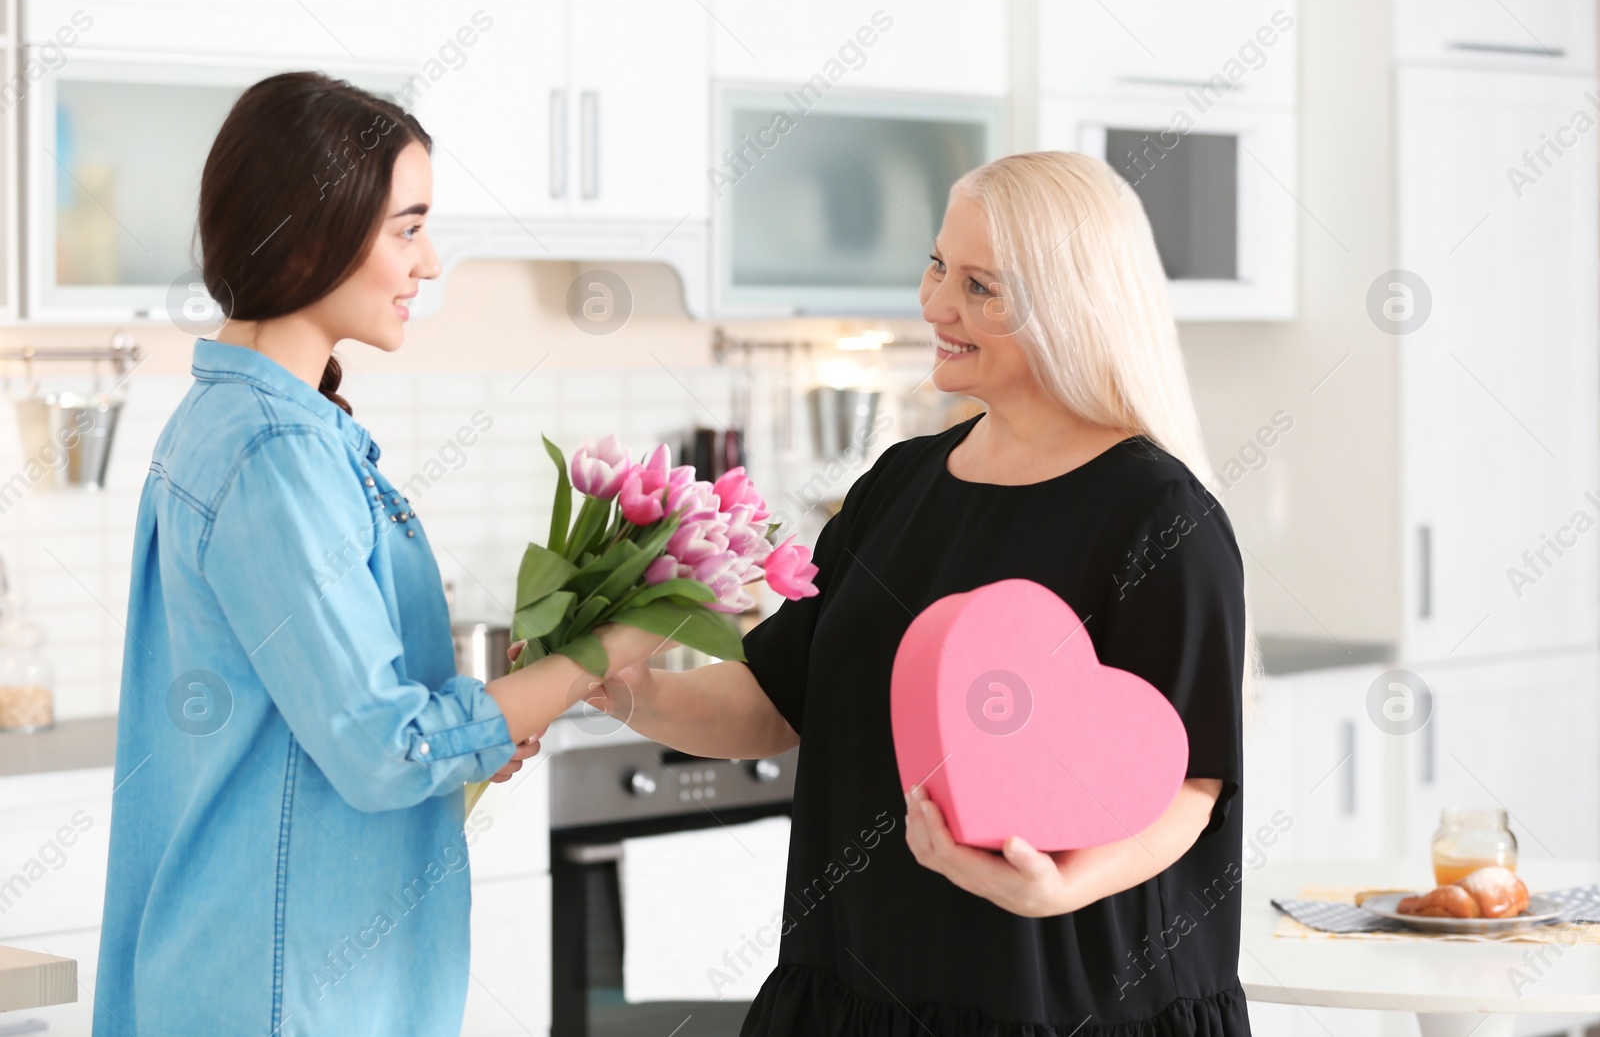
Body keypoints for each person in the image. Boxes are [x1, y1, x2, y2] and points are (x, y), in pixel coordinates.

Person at [589, 150, 1258, 1034]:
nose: (937, 304)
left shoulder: (1158, 516)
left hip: (1064, 1003)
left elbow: (1189, 788)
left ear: (1071, 308)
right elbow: (776, 698)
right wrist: (622, 689)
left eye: (983, 286)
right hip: (859, 992)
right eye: (940, 264)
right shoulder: (899, 485)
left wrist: (1059, 885)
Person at [94, 72, 661, 1036]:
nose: (430, 261)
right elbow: (385, 749)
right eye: (408, 227)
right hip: (289, 990)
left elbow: (331, 729)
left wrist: (480, 729)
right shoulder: (274, 452)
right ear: (311, 234)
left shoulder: (243, 423)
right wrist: (600, 656)